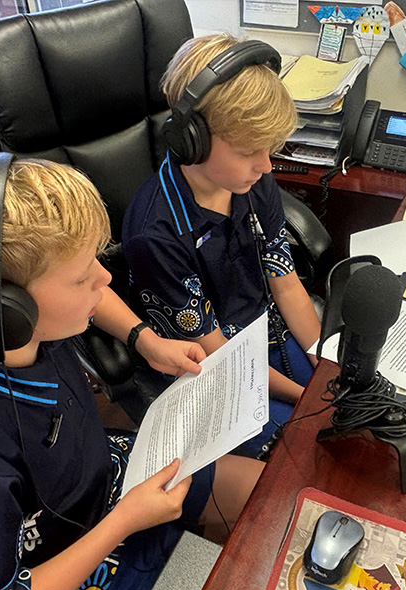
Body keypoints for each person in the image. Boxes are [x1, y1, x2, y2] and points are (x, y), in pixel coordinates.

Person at [0, 143, 263, 590]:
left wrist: (146, 340)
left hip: (101, 479)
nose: (104, 280)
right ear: (8, 308)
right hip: (65, 565)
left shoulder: (18, 327)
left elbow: (87, 288)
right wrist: (125, 520)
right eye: (81, 276)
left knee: (271, 498)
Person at [122, 34, 322, 458]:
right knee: (304, 449)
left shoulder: (254, 180)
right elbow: (217, 356)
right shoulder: (155, 233)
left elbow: (285, 284)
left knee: (339, 398)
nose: (266, 165)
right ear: (191, 140)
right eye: (249, 151)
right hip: (214, 368)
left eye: (269, 149)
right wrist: (308, 399)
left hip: (266, 333)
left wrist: (325, 366)